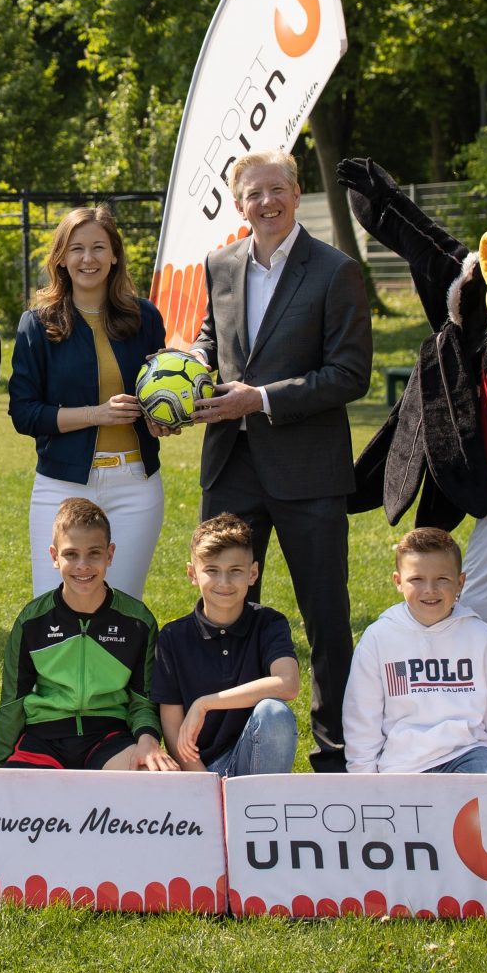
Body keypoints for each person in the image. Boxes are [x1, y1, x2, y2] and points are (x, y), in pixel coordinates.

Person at [189, 148, 371, 773]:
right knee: (227, 611)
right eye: (253, 194)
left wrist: (260, 398)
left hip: (308, 472)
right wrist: (187, 374)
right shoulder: (220, 265)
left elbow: (350, 374)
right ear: (238, 205)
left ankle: (337, 752)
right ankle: (231, 745)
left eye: (277, 190)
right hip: (231, 466)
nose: (266, 203)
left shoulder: (335, 270)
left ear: (296, 193)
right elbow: (214, 342)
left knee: (325, 615)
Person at [8, 207, 168, 598]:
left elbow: (158, 393)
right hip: (60, 485)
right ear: (61, 257)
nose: (88, 258)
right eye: (76, 248)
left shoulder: (144, 317)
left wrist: (162, 419)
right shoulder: (39, 322)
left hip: (136, 484)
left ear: (115, 254)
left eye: (99, 247)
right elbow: (24, 413)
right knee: (55, 607)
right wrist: (97, 415)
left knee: (122, 608)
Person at [0, 499, 174, 771]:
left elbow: (143, 700)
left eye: (94, 553)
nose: (83, 565)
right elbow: (12, 700)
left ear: (110, 554)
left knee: (150, 773)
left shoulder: (137, 621)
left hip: (108, 737)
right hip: (44, 738)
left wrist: (148, 739)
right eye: (71, 554)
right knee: (15, 790)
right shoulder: (33, 621)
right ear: (54, 557)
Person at [343, 527, 487, 775]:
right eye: (417, 579)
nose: (430, 589)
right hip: (404, 764)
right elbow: (362, 718)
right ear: (398, 582)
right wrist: (365, 783)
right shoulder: (378, 638)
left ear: (460, 582)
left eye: (442, 579)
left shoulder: (481, 637)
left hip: (469, 753)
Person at [153, 513, 301, 776]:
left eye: (235, 571)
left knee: (274, 713)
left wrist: (206, 703)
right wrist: (206, 785)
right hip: (201, 768)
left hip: (255, 759)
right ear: (192, 574)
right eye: (212, 570)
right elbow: (173, 727)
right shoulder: (173, 637)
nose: (224, 583)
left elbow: (288, 683)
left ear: (253, 573)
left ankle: (258, 808)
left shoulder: (268, 622)